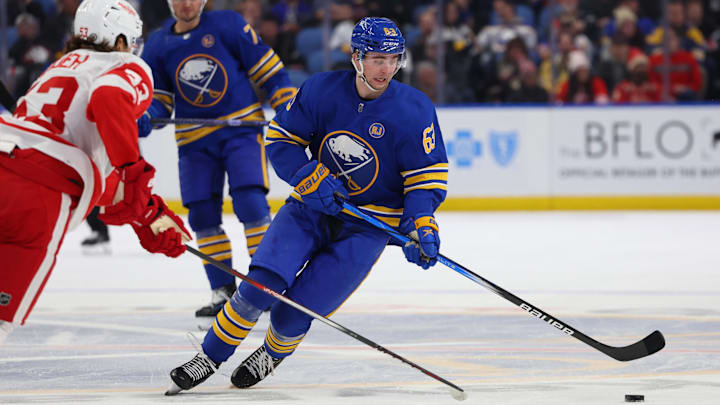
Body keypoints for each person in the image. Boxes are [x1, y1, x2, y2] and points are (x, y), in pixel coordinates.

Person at [165, 16, 448, 394]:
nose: (386, 68)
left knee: (296, 309)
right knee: (261, 283)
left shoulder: (415, 110)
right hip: (310, 210)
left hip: (367, 227)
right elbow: (281, 140)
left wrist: (421, 224)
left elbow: (423, 179)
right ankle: (209, 356)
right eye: (378, 58)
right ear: (357, 57)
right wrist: (309, 176)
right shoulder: (320, 90)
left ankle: (271, 353)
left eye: (394, 59)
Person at [0, 0, 190, 345]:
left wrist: (148, 213)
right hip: (39, 192)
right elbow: (108, 98)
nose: (133, 49)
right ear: (119, 40)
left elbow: (96, 179)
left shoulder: (59, 68)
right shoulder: (125, 65)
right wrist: (134, 171)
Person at [138, 0, 298, 324]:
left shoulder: (227, 25)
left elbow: (270, 73)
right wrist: (146, 117)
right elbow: (160, 100)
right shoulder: (157, 44)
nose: (186, 3)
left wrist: (288, 108)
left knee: (251, 204)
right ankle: (222, 289)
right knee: (202, 215)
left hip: (241, 131)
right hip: (194, 142)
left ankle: (264, 285)